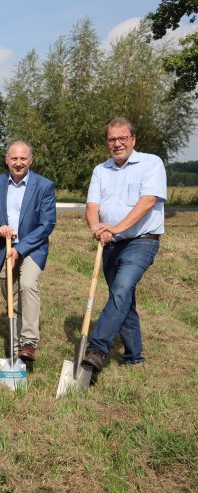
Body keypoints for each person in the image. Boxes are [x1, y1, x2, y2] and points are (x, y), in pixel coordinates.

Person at [82, 118, 166, 370]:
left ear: (133, 139)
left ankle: (96, 348)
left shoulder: (151, 163)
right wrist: (97, 227)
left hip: (142, 241)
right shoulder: (101, 170)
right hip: (109, 245)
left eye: (122, 138)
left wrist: (116, 228)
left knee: (121, 289)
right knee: (123, 297)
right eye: (112, 139)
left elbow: (148, 201)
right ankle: (134, 357)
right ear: (107, 142)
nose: (117, 143)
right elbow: (92, 206)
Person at [0, 141, 56, 363]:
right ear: (6, 159)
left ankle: (28, 343)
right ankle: (16, 345)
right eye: (14, 158)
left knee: (27, 284)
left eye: (23, 158)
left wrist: (20, 248)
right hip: (4, 248)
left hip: (32, 247)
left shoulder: (44, 186)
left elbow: (47, 224)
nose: (18, 163)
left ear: (30, 160)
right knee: (12, 298)